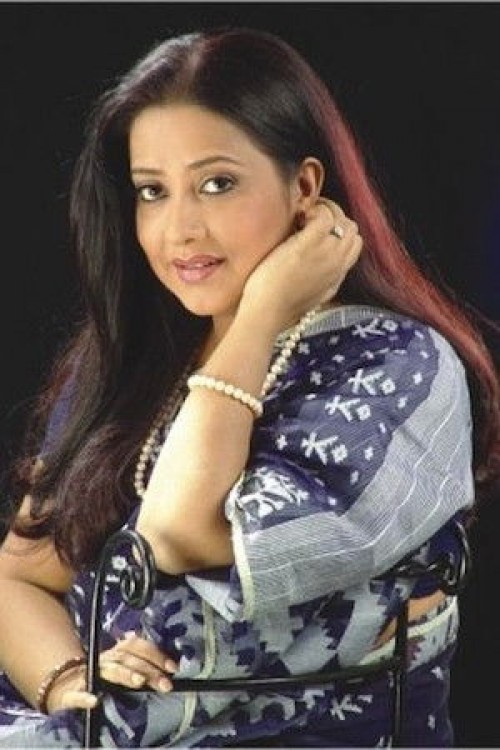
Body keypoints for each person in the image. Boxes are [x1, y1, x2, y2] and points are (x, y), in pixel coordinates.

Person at [0, 26, 499, 749]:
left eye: (217, 184)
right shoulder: (129, 359)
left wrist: (261, 313)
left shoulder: (397, 367)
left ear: (305, 188)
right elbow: (20, 577)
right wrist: (73, 680)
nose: (180, 229)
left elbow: (177, 534)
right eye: (152, 192)